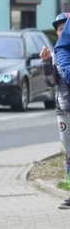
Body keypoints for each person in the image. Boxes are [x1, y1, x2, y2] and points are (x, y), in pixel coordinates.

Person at [45, 12, 70, 207]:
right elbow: (51, 81)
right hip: (63, 108)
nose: (63, 32)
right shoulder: (56, 54)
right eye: (60, 29)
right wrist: (46, 62)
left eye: (66, 28)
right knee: (68, 151)